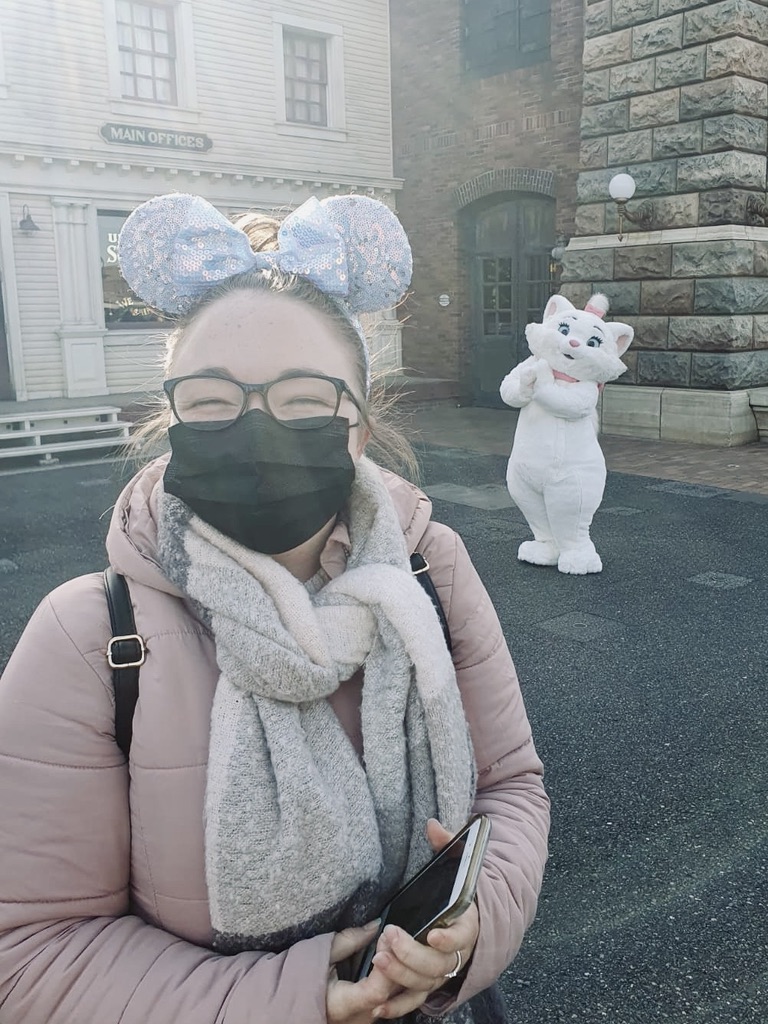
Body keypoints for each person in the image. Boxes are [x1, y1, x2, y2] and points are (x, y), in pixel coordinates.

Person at [0, 193, 549, 1024]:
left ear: (359, 428)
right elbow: (32, 952)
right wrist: (289, 1002)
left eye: (302, 400)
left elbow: (510, 790)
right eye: (214, 401)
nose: (257, 429)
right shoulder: (89, 637)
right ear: (172, 418)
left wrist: (466, 937)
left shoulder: (428, 569)